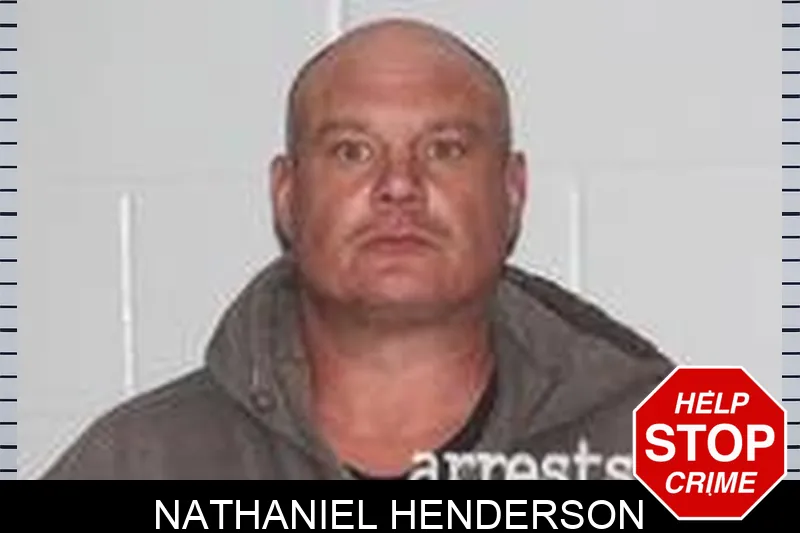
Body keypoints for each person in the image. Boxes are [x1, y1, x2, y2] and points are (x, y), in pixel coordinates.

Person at [42, 17, 674, 480]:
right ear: (287, 195)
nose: (399, 185)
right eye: (351, 151)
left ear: (512, 191)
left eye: (445, 148)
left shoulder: (671, 452)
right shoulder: (138, 463)